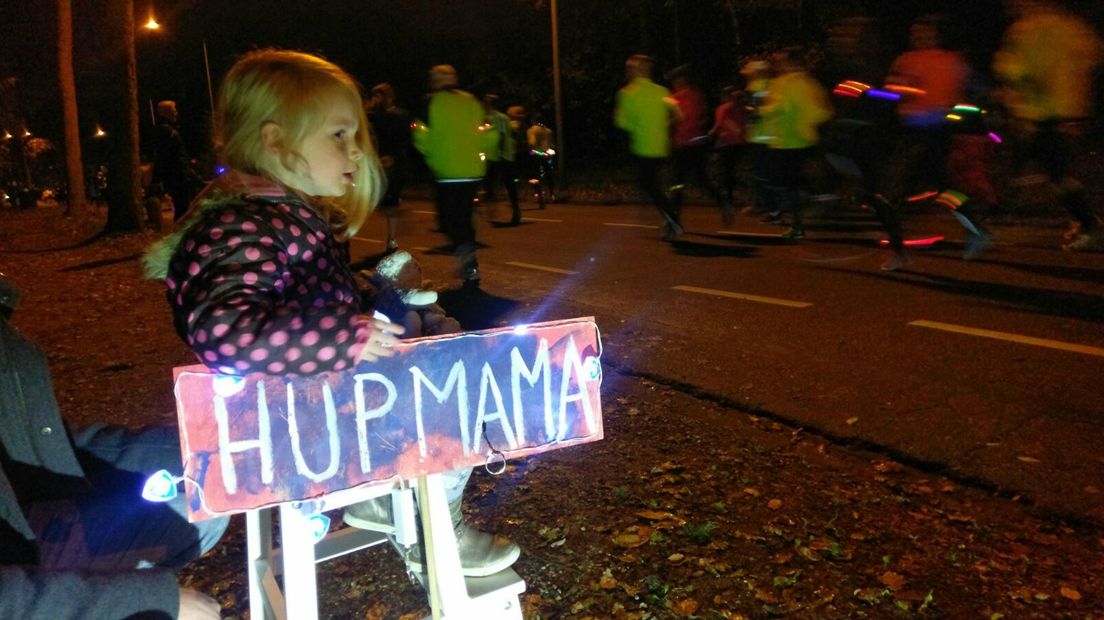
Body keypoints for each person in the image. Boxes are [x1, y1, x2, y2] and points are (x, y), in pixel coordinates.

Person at [142, 50, 519, 578]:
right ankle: (427, 522)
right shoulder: (245, 226)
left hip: (331, 402)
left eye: (357, 136)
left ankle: (401, 502)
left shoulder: (284, 218)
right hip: (303, 422)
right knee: (446, 397)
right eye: (338, 135)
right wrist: (342, 338)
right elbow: (223, 332)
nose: (357, 152)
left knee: (443, 351)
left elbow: (309, 302)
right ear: (275, 140)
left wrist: (378, 300)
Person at [0, 273, 228, 619]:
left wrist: (185, 447)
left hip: (34, 516)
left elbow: (44, 442)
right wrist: (147, 601)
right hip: (20, 568)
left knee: (205, 506)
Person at [994, 0, 1103, 251]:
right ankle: (1083, 222)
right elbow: (1093, 56)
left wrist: (1012, 93)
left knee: (1052, 173)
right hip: (1071, 111)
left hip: (1038, 114)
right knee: (1060, 173)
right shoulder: (1073, 28)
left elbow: (1013, 70)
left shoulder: (1025, 30)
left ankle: (1090, 225)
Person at [884, 15, 991, 263]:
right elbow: (892, 89)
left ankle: (976, 230)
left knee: (902, 189)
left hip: (937, 131)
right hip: (910, 131)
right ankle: (977, 229)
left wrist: (974, 106)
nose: (921, 37)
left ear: (936, 35)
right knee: (932, 189)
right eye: (916, 33)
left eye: (926, 33)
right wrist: (900, 91)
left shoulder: (950, 61)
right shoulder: (906, 60)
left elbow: (977, 86)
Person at [413, 65, 491, 284]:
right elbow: (485, 132)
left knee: (448, 221)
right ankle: (469, 262)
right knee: (464, 216)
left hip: (446, 171)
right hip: (473, 170)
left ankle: (467, 257)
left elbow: (420, 135)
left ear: (435, 81)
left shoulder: (431, 102)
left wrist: (432, 155)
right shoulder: (471, 101)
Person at [759, 47, 833, 241]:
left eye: (781, 61)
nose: (778, 65)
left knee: (787, 184)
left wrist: (773, 112)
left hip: (789, 143)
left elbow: (773, 109)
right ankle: (813, 201)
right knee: (790, 183)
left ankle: (803, 217)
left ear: (792, 63)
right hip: (796, 140)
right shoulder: (806, 82)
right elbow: (822, 112)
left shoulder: (789, 83)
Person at [615, 54, 683, 240]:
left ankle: (672, 220)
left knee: (649, 186)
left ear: (635, 70)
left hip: (642, 148)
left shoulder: (627, 94)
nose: (628, 72)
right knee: (654, 185)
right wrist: (663, 127)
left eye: (630, 69)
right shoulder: (663, 92)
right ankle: (670, 216)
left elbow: (622, 123)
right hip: (662, 147)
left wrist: (639, 124)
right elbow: (678, 114)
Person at [667, 66, 731, 225]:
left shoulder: (678, 97)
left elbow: (681, 118)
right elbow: (701, 116)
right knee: (701, 180)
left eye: (675, 80)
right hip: (696, 144)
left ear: (680, 80)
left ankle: (674, 217)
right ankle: (722, 201)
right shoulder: (698, 95)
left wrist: (668, 124)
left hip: (683, 145)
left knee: (677, 182)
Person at [368, 83, 414, 252]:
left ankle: (392, 239)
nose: (375, 100)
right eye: (374, 96)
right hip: (375, 163)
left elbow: (404, 139)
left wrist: (393, 157)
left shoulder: (399, 115)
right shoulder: (372, 115)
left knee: (391, 201)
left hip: (394, 163)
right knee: (378, 200)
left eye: (379, 96)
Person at [151, 100, 202, 222]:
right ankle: (180, 235)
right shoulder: (166, 131)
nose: (176, 113)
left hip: (178, 175)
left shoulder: (168, 130)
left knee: (184, 207)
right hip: (177, 176)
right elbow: (166, 155)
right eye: (173, 111)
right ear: (165, 113)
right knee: (182, 208)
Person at [481, 94, 521, 225]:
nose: (484, 105)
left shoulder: (500, 117)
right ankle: (492, 208)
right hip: (493, 156)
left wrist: (501, 151)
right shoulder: (488, 118)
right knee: (490, 182)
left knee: (508, 184)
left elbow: (502, 135)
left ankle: (516, 212)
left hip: (502, 157)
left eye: (486, 103)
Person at [709, 84, 748, 214]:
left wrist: (710, 134)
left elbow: (718, 124)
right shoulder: (741, 108)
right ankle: (732, 195)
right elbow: (744, 123)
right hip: (739, 143)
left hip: (725, 143)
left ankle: (727, 197)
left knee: (724, 171)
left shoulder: (723, 108)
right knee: (732, 170)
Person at [525, 111, 557, 205]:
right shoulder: (549, 131)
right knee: (549, 175)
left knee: (535, 175)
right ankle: (552, 194)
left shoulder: (531, 130)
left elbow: (532, 143)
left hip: (536, 154)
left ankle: (538, 194)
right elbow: (552, 144)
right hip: (547, 154)